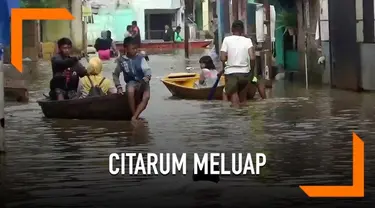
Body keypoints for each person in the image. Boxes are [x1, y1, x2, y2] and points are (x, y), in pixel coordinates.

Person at [218, 20, 261, 107]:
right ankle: (244, 117)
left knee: (233, 95)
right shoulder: (248, 41)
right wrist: (251, 71)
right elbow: (252, 58)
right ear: (242, 30)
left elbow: (222, 58)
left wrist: (225, 66)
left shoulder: (226, 40)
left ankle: (236, 117)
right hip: (245, 74)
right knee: (243, 99)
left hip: (231, 73)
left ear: (232, 29)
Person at [113, 37, 151, 123]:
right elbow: (115, 74)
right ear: (126, 49)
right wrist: (118, 86)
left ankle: (135, 116)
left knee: (146, 97)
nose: (135, 50)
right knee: (130, 91)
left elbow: (147, 70)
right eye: (133, 48)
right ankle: (134, 115)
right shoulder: (122, 60)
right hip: (131, 82)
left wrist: (147, 77)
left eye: (136, 48)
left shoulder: (141, 58)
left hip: (143, 81)